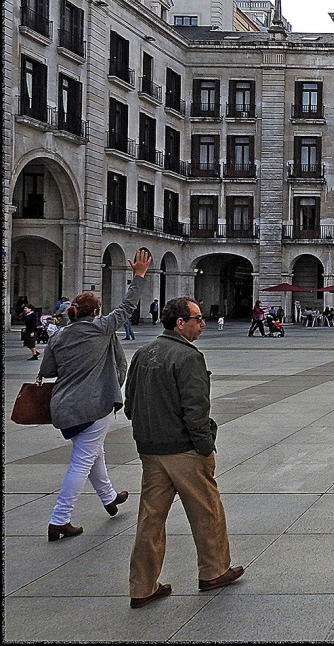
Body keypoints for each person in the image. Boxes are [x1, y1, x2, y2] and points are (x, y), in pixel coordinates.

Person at [124, 296, 244, 609]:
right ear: (181, 323)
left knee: (150, 520)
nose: (202, 324)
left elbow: (129, 404)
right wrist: (204, 445)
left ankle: (142, 587)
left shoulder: (142, 353)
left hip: (150, 450)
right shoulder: (188, 357)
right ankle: (213, 570)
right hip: (185, 450)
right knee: (206, 511)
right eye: (198, 319)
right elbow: (196, 409)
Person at [40, 248, 152, 541]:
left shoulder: (59, 336)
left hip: (63, 407)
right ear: (95, 312)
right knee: (83, 459)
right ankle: (59, 519)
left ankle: (109, 496)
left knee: (93, 452)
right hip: (94, 405)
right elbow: (127, 307)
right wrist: (138, 275)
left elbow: (49, 370)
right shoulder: (101, 328)